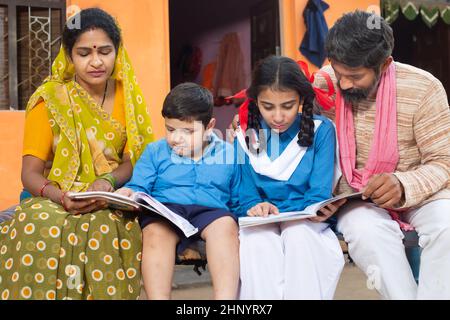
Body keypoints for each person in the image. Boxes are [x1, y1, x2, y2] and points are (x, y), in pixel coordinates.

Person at [0, 8, 154, 300]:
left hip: (112, 199)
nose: (96, 61)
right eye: (84, 53)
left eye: (105, 51)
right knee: (37, 224)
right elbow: (30, 173)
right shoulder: (51, 99)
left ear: (117, 53)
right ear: (70, 57)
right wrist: (62, 197)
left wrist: (107, 181)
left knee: (104, 229)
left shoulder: (128, 95)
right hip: (55, 197)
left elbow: (137, 159)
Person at [313, 11, 450, 299]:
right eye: (339, 73)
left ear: (385, 64)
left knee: (447, 226)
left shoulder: (424, 88)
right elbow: (282, 116)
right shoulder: (323, 85)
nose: (345, 84)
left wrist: (402, 184)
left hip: (424, 195)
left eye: (355, 76)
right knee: (365, 233)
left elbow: (443, 161)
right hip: (356, 198)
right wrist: (249, 122)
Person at [116, 83, 259, 300]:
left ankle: (225, 300)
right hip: (166, 212)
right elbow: (139, 187)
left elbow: (239, 197)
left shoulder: (229, 154)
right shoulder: (155, 151)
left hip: (212, 212)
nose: (176, 138)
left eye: (188, 131)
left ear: (210, 126)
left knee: (226, 227)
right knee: (154, 233)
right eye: (170, 129)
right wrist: (129, 192)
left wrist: (253, 208)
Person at [235, 55, 345, 300]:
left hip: (306, 220)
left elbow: (318, 193)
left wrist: (284, 217)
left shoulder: (322, 131)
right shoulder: (247, 137)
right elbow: (245, 190)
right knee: (257, 243)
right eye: (267, 106)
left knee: (297, 237)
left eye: (287, 106)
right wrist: (255, 207)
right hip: (262, 222)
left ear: (302, 100)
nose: (277, 116)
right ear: (255, 103)